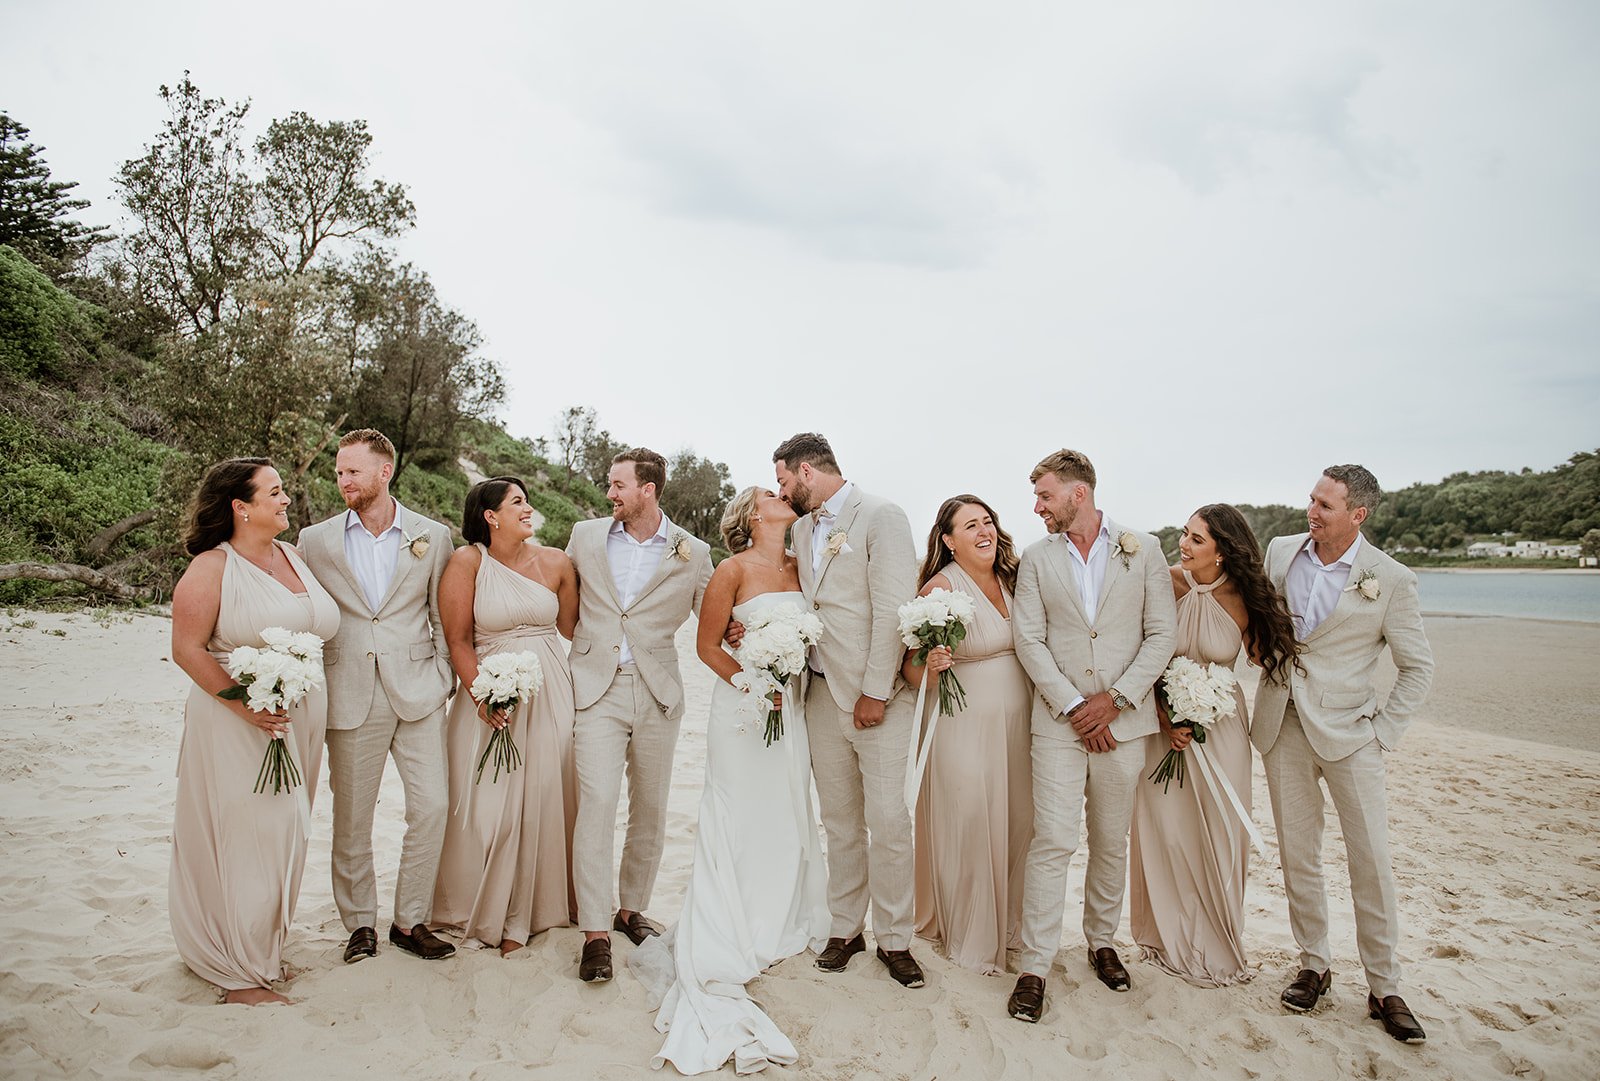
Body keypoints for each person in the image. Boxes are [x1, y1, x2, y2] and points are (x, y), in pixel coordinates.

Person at [629, 487, 831, 1074]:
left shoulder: (804, 567)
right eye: (771, 493)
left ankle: (777, 913)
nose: (782, 495)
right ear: (751, 515)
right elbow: (707, 646)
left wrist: (783, 682)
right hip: (745, 709)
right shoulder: (731, 570)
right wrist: (755, 684)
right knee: (738, 812)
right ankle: (728, 925)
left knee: (786, 810)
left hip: (789, 712)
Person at [1254, 465, 1434, 1043]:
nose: (1312, 511)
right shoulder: (1280, 552)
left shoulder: (1391, 579)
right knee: (1298, 852)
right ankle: (1314, 964)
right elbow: (1260, 621)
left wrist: (1382, 732)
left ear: (1357, 515)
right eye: (1311, 499)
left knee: (1371, 860)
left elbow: (1416, 667)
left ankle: (1385, 985)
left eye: (1326, 505)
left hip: (1353, 735)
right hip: (1283, 723)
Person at [1008, 449, 1177, 1023]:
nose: (1037, 507)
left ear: (1078, 494)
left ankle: (1102, 943)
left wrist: (1116, 701)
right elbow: (1029, 640)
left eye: (1045, 496)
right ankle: (1034, 965)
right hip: (1058, 724)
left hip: (1124, 725)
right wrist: (1078, 706)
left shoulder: (1145, 548)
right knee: (1052, 839)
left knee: (1110, 839)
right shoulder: (1035, 558)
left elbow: (1161, 634)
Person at [168, 458, 339, 1004]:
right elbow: (187, 648)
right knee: (251, 835)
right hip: (240, 723)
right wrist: (245, 704)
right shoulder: (212, 567)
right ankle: (238, 972)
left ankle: (261, 949)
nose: (286, 499)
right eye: (275, 492)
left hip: (299, 715)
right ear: (241, 507)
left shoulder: (292, 555)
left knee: (287, 833)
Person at [771, 432, 925, 988]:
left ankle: (896, 938)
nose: (781, 492)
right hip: (817, 693)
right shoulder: (801, 526)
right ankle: (845, 927)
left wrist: (877, 690)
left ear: (807, 472)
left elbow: (892, 608)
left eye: (784, 481)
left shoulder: (881, 515)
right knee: (838, 821)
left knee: (887, 821)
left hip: (873, 697)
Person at [299, 429, 457, 964]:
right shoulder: (314, 540)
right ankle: (360, 923)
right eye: (339, 471)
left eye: (352, 471)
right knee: (352, 817)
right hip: (348, 691)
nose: (342, 480)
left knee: (433, 806)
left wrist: (442, 678)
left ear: (383, 473)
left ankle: (409, 922)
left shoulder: (432, 536)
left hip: (418, 693)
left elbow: (442, 615)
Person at [1128, 503, 1300, 986]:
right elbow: (1139, 649)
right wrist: (1164, 714)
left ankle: (1217, 939)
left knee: (1222, 833)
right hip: (1163, 728)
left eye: (1196, 539)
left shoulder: (1247, 598)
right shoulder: (1164, 582)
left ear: (1223, 551)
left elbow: (1272, 661)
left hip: (1222, 726)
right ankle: (1164, 938)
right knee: (1168, 832)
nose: (1183, 544)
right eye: (1184, 534)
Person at [567, 448, 713, 982]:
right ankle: (594, 931)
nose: (611, 493)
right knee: (599, 801)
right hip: (595, 689)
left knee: (650, 805)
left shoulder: (692, 551)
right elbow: (568, 601)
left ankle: (630, 909)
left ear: (647, 489)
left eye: (618, 485)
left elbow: (711, 616)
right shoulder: (585, 536)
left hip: (659, 691)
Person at [430, 477, 579, 953]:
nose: (528, 507)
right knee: (490, 806)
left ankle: (537, 910)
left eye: (527, 500)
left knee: (544, 795)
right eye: (518, 501)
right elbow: (457, 639)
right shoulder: (467, 561)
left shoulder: (558, 563)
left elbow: (576, 629)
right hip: (490, 693)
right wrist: (482, 697)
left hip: (551, 691)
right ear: (490, 516)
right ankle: (484, 904)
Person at [902, 495, 1033, 976]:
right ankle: (972, 935)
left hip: (1019, 728)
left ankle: (1011, 928)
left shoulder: (1014, 579)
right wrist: (931, 666)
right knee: (973, 821)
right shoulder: (939, 588)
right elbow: (911, 671)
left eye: (988, 521)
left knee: (1019, 822)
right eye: (970, 525)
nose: (984, 531)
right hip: (962, 724)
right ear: (948, 540)